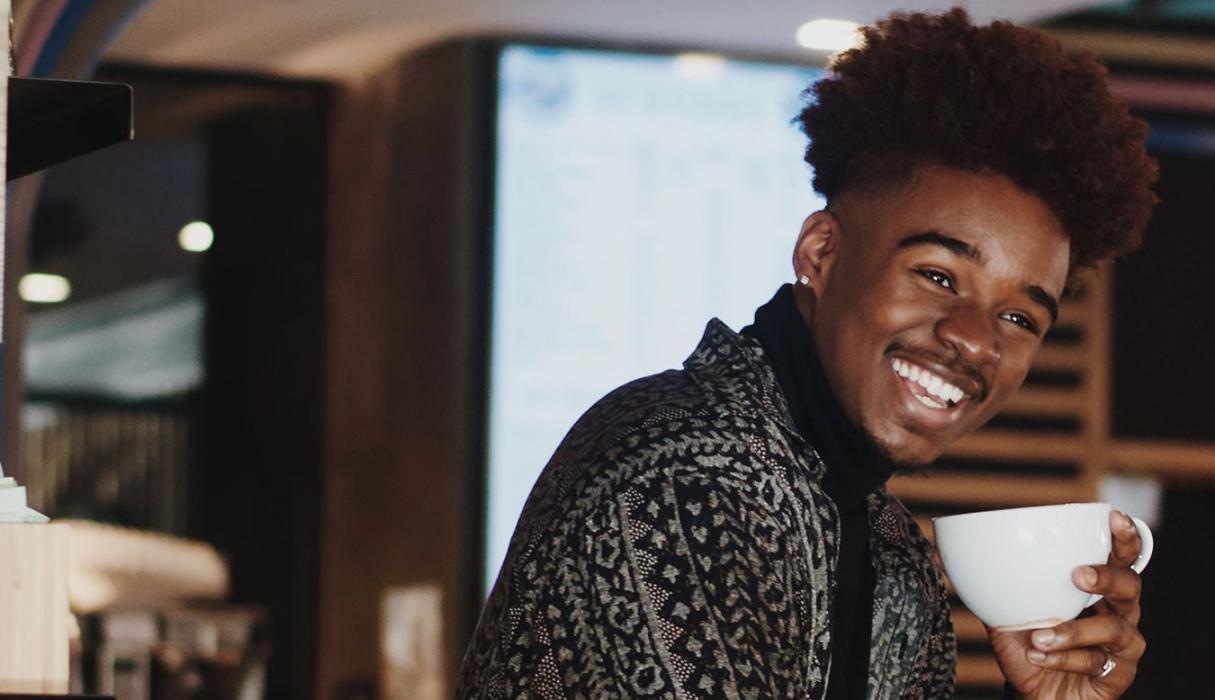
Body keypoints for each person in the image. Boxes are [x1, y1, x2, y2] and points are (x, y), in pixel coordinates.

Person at [457, 8, 1159, 699]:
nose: (976, 339)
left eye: (1018, 316)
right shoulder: (684, 471)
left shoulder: (889, 549)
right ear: (821, 253)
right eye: (938, 276)